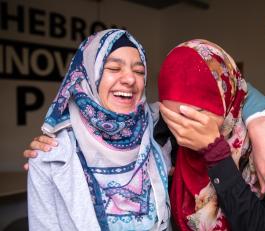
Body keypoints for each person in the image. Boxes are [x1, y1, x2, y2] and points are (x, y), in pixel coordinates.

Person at [27, 29, 171, 230]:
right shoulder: (50, 156)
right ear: (87, 74)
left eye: (139, 71)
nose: (130, 79)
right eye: (113, 68)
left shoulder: (160, 130)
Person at [157, 39, 265, 230]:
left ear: (225, 100)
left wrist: (216, 154)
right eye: (174, 118)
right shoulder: (164, 132)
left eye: (196, 116)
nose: (185, 128)